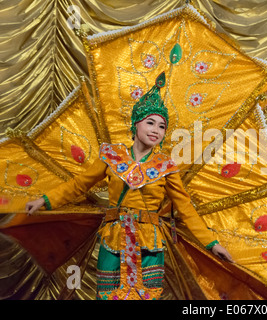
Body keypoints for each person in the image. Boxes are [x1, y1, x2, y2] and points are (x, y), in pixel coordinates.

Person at [25, 71, 233, 300]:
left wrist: (212, 244)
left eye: (162, 126)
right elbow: (78, 185)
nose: (156, 130)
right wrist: (44, 200)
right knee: (108, 297)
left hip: (149, 243)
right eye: (150, 122)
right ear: (136, 125)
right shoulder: (111, 156)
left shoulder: (166, 166)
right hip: (113, 238)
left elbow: (185, 208)